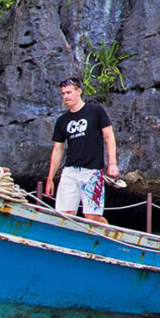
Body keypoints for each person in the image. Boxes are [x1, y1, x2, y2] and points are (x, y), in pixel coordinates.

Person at [45, 78, 118, 224]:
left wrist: (112, 163)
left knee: (92, 216)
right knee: (65, 214)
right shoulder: (62, 121)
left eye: (69, 92)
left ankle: (107, 233)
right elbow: (58, 150)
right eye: (63, 94)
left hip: (92, 171)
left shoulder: (96, 111)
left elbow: (109, 136)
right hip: (70, 170)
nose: (66, 96)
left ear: (79, 91)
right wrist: (50, 178)